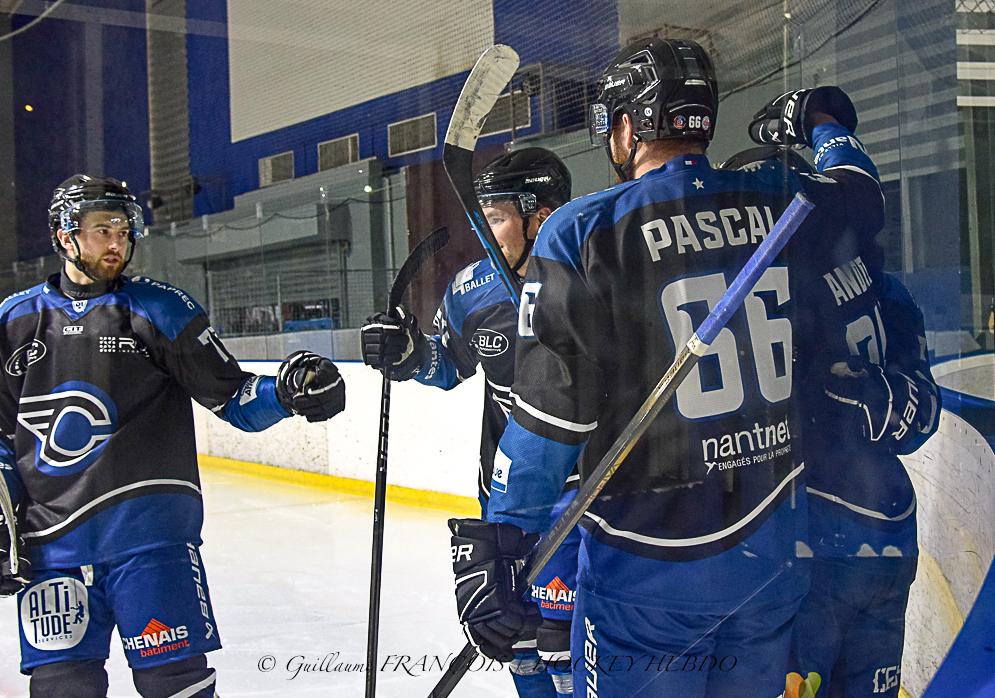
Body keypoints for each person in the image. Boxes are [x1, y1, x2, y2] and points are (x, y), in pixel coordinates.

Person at [446, 37, 886, 697]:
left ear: (626, 127)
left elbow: (550, 420)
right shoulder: (779, 198)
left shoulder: (581, 230)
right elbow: (861, 194)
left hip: (647, 573)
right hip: (768, 557)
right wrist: (822, 121)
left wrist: (502, 538)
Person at [0, 174, 347, 697]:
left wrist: (289, 392)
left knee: (176, 685)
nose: (116, 242)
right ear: (64, 235)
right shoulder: (14, 321)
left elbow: (234, 398)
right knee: (60, 688)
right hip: (52, 550)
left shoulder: (159, 309)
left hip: (151, 541)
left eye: (122, 229)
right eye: (101, 230)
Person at [721, 148, 941, 698]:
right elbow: (922, 416)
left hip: (813, 545)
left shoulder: (770, 293)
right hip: (889, 530)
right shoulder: (881, 284)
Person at [361, 148, 579, 697]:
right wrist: (410, 353)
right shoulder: (472, 289)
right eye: (481, 216)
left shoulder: (592, 279)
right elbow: (447, 366)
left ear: (543, 217)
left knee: (568, 647)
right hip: (505, 501)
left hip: (585, 498)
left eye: (499, 217)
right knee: (520, 643)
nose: (485, 232)